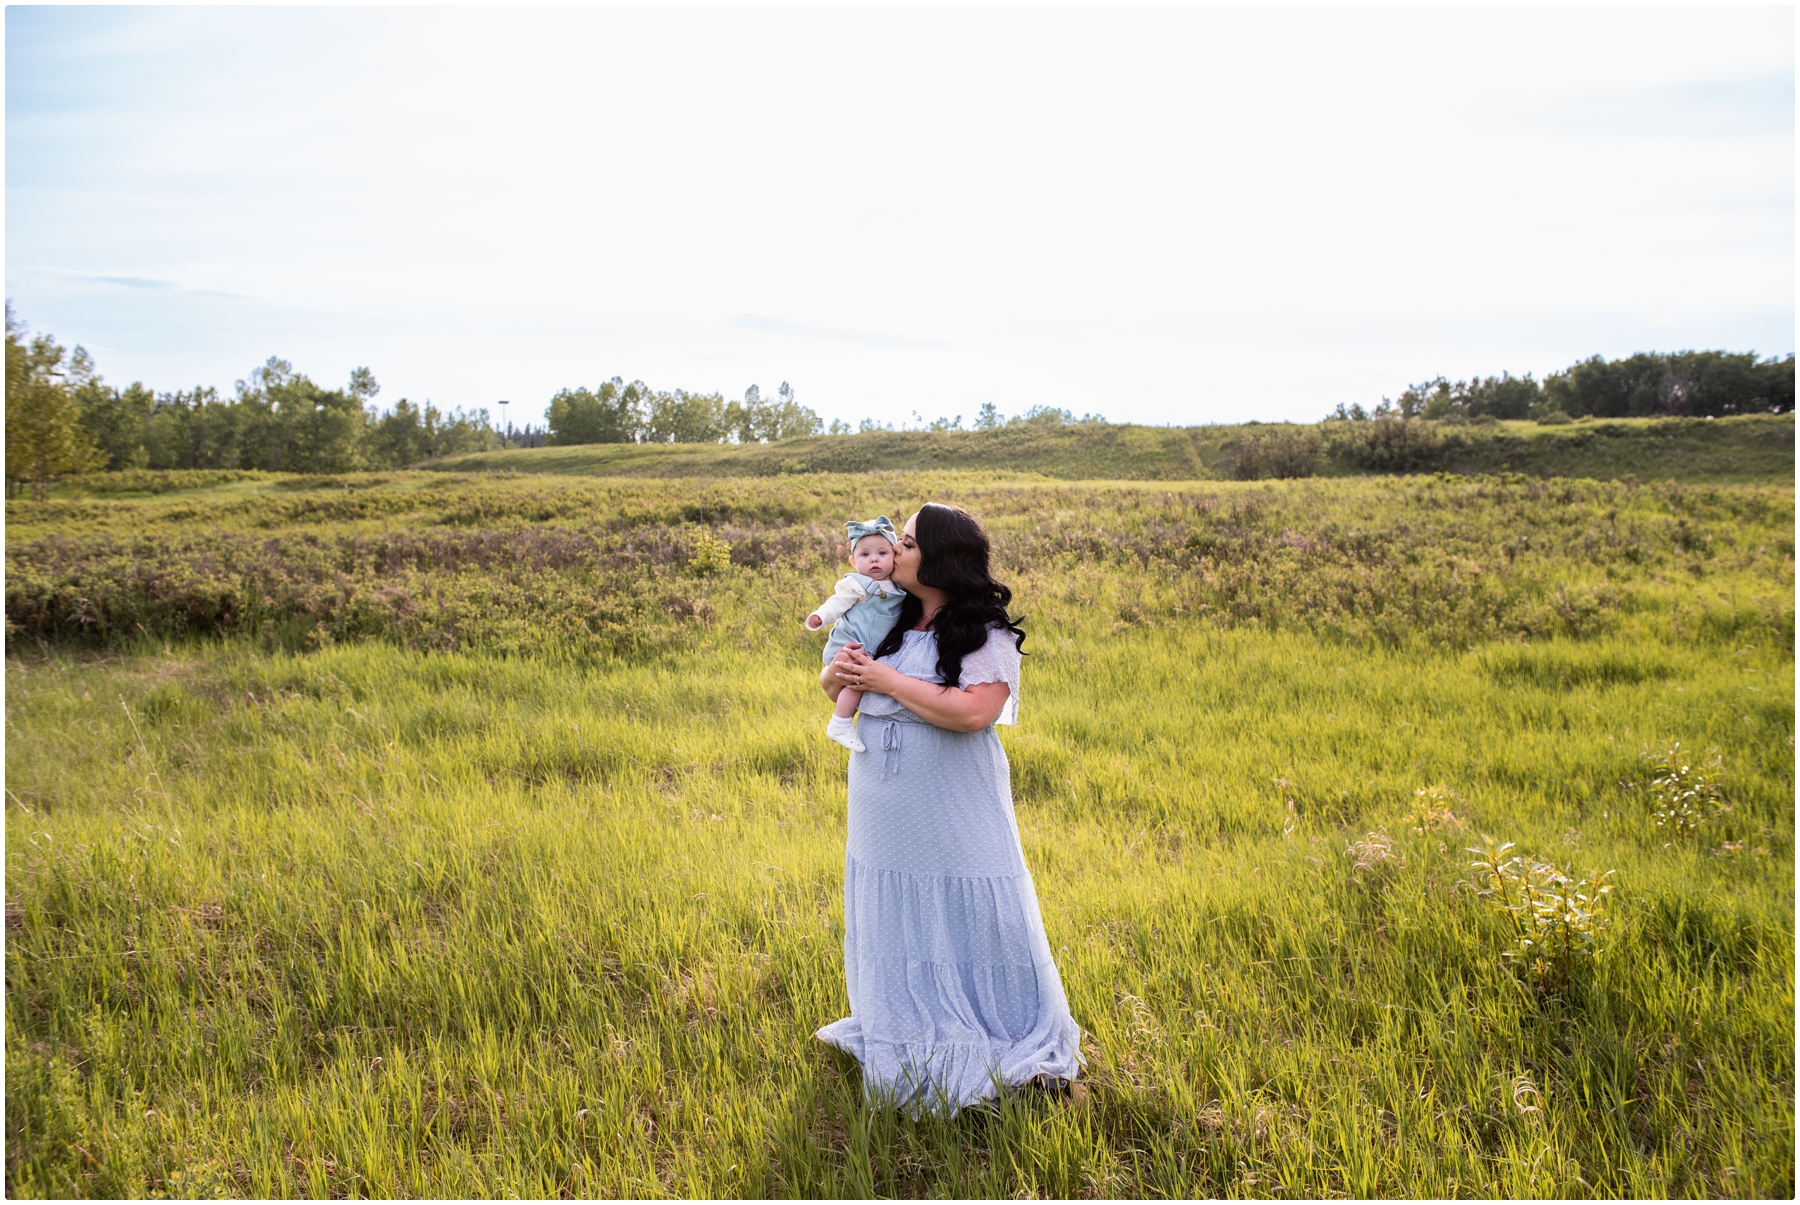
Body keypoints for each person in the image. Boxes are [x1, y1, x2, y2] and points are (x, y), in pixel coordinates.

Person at [815, 502, 1085, 1114]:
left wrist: (885, 683)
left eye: (906, 541)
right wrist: (844, 674)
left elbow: (973, 713)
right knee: (895, 902)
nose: (894, 548)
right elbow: (835, 689)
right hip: (881, 798)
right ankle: (906, 1018)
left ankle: (998, 1030)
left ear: (939, 557)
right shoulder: (886, 618)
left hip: (952, 800)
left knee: (966, 902)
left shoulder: (981, 632)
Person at [804, 517, 908, 753]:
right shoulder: (858, 584)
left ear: (894, 556)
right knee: (856, 683)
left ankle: (844, 721)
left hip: (871, 649)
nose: (874, 559)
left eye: (882, 553)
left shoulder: (899, 586)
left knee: (862, 681)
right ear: (852, 561)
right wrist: (821, 616)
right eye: (864, 555)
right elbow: (838, 603)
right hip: (851, 646)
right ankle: (840, 722)